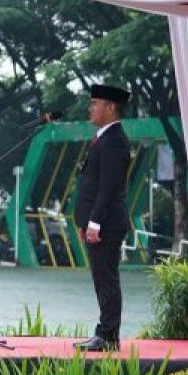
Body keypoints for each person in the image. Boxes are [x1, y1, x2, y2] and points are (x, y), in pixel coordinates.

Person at [74, 84, 131, 352]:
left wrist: (94, 222)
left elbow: (108, 186)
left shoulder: (115, 140)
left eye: (95, 103)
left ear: (111, 107)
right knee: (101, 279)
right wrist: (82, 221)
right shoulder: (102, 137)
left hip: (106, 224)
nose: (91, 108)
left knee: (106, 279)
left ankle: (108, 336)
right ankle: (105, 333)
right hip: (98, 223)